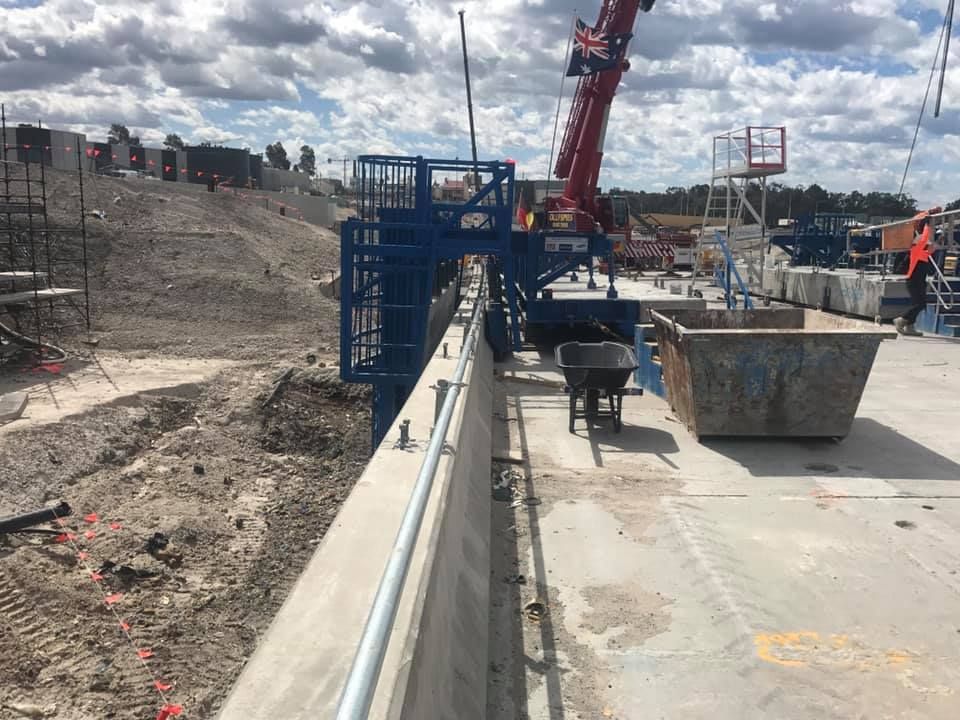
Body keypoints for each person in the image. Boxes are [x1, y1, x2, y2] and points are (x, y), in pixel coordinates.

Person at [894, 211, 938, 336]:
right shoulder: (916, 249)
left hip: (918, 280)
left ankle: (910, 326)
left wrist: (930, 250)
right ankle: (901, 320)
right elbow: (924, 239)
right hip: (913, 280)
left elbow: (926, 253)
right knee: (920, 304)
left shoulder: (922, 254)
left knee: (919, 303)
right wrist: (928, 225)